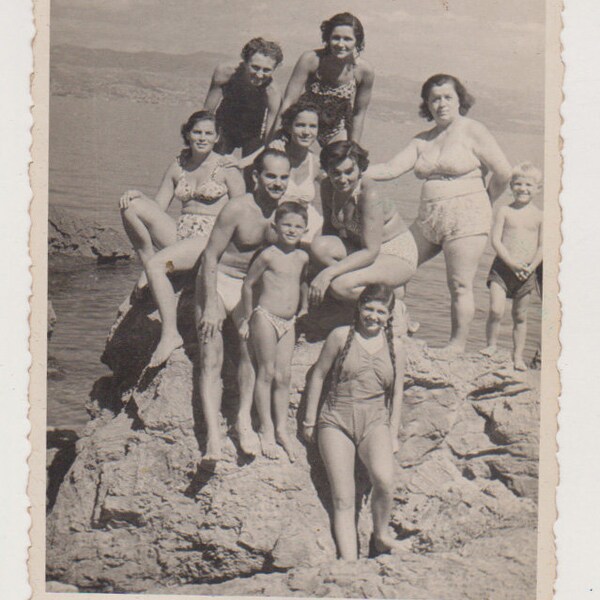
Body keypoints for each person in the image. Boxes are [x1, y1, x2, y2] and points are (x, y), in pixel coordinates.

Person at [367, 73, 512, 358]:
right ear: (426, 104)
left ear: (460, 100)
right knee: (392, 263)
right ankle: (400, 325)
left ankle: (456, 345)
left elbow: (504, 172)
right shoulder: (422, 140)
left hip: (467, 217)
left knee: (459, 283)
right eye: (435, 99)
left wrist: (486, 199)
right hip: (428, 219)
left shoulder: (473, 130)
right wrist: (343, 172)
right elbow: (389, 169)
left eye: (448, 97)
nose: (441, 104)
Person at [119, 111, 245, 367]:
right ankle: (148, 261)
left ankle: (170, 334)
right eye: (197, 132)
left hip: (208, 240)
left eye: (209, 133)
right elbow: (158, 207)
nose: (202, 138)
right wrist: (136, 195)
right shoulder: (179, 164)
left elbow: (243, 213)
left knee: (158, 267)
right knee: (130, 205)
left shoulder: (227, 169)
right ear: (187, 134)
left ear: (217, 137)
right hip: (180, 234)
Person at [195, 148, 291, 461]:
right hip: (219, 280)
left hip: (247, 290)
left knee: (251, 351)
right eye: (271, 176)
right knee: (212, 356)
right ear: (256, 176)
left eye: (283, 177)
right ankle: (212, 438)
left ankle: (243, 422)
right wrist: (210, 303)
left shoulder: (287, 214)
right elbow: (210, 255)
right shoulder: (237, 209)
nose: (277, 183)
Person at [302, 284, 406, 560]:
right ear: (359, 308)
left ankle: (381, 536)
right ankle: (350, 563)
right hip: (336, 421)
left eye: (381, 311)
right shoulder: (340, 336)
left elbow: (396, 393)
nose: (373, 316)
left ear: (389, 315)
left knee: (384, 480)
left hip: (375, 422)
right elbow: (318, 376)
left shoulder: (396, 346)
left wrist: (393, 433)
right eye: (369, 309)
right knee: (344, 498)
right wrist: (309, 421)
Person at [309, 141, 418, 331]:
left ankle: (393, 302)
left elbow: (371, 251)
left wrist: (328, 273)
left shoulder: (370, 194)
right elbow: (330, 230)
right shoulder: (328, 187)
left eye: (349, 171)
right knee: (319, 246)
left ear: (360, 169)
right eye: (336, 172)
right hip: (362, 248)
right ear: (327, 170)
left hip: (394, 253)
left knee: (340, 286)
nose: (342, 179)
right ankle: (357, 300)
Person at [239, 202, 310, 462]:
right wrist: (247, 319)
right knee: (266, 372)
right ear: (276, 226)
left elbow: (302, 281)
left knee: (284, 375)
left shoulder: (303, 257)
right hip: (265, 317)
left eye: (298, 226)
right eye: (287, 225)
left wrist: (304, 306)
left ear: (306, 229)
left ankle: (282, 429)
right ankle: (265, 428)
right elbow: (248, 285)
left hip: (288, 322)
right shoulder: (268, 255)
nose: (292, 230)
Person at [274, 12, 374, 146]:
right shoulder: (311, 59)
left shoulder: (364, 71)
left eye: (347, 39)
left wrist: (355, 149)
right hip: (305, 121)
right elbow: (290, 100)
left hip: (336, 127)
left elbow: (359, 113)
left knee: (340, 162)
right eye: (336, 38)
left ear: (357, 41)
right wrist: (278, 135)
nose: (340, 44)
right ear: (327, 38)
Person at [481, 163, 543, 371]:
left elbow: (543, 245)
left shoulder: (540, 215)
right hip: (503, 269)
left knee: (520, 316)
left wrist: (531, 266)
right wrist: (511, 263)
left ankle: (518, 357)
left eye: (528, 185)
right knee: (496, 310)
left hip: (526, 273)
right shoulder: (504, 211)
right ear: (511, 186)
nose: (522, 188)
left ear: (538, 188)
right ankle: (491, 346)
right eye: (517, 184)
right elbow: (496, 240)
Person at [236, 101, 324, 242]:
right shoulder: (276, 153)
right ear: (289, 127)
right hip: (276, 226)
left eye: (312, 126)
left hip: (307, 225)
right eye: (300, 125)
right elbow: (246, 168)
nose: (307, 132)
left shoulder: (316, 163)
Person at [204, 37, 283, 158]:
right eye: (255, 67)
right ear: (245, 62)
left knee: (253, 171)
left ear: (275, 69)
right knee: (213, 166)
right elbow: (206, 113)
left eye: (266, 70)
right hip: (224, 125)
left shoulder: (272, 92)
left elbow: (269, 136)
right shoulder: (226, 72)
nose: (259, 75)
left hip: (252, 131)